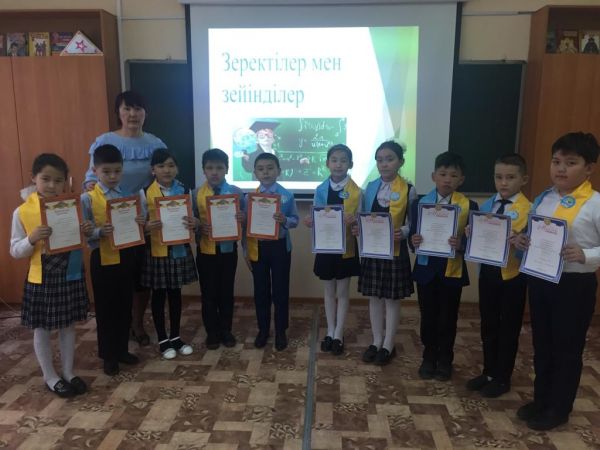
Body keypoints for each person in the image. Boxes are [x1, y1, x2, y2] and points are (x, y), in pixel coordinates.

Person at [513, 132, 600, 431]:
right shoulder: (544, 198)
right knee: (542, 344)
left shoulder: (595, 203)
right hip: (541, 280)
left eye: (571, 163)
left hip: (574, 286)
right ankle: (541, 400)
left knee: (566, 349)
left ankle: (559, 408)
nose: (561, 169)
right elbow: (535, 232)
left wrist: (586, 254)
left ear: (589, 168)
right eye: (556, 161)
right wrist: (523, 240)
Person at [84, 90, 166, 347]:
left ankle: (137, 324)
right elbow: (90, 180)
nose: (133, 114)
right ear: (118, 112)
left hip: (142, 219)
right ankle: (117, 331)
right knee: (115, 280)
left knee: (141, 278)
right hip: (109, 223)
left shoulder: (155, 143)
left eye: (138, 108)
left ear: (145, 113)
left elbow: (162, 177)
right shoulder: (105, 142)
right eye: (127, 109)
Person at [10, 154, 92, 398]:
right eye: (45, 179)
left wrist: (86, 230)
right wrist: (31, 239)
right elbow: (15, 250)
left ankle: (68, 371)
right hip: (42, 276)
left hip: (70, 271)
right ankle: (50, 376)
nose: (52, 185)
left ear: (66, 181)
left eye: (58, 180)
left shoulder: (72, 205)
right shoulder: (22, 211)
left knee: (68, 324)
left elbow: (80, 239)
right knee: (42, 328)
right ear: (33, 178)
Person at [465, 154, 531, 398]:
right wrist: (471, 231)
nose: (503, 183)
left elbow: (532, 248)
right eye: (498, 177)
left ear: (523, 179)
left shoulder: (529, 210)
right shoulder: (486, 206)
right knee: (488, 324)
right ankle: (489, 372)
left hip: (513, 276)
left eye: (510, 177)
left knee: (508, 328)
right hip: (488, 273)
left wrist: (521, 242)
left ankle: (503, 377)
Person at [409, 152, 478, 381]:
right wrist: (413, 240)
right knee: (428, 316)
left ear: (461, 179)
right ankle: (429, 357)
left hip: (452, 271)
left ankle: (446, 360)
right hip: (426, 270)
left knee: (448, 318)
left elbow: (474, 241)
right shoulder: (419, 204)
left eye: (453, 175)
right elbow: (413, 235)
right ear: (433, 176)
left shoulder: (469, 205)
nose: (447, 179)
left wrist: (462, 244)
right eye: (443, 174)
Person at [81, 144, 146, 376]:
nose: (112, 176)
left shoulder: (128, 196)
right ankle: (108, 356)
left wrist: (140, 223)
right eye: (106, 171)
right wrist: (99, 232)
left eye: (117, 171)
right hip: (102, 257)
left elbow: (138, 224)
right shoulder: (87, 199)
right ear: (95, 171)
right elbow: (85, 232)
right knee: (105, 308)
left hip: (126, 255)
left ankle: (121, 350)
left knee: (124, 304)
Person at [356, 141, 416, 365]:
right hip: (373, 249)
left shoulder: (409, 189)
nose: (384, 164)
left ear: (400, 162)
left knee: (391, 299)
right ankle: (376, 340)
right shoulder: (370, 187)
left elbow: (413, 222)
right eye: (380, 160)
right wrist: (358, 227)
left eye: (389, 159)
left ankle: (389, 344)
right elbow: (363, 216)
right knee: (374, 297)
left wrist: (405, 231)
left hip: (395, 251)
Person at [304, 144, 361, 355]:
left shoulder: (357, 191)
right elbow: (317, 216)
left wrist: (355, 221)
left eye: (343, 160)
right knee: (328, 291)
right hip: (326, 247)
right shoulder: (320, 189)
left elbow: (362, 221)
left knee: (343, 292)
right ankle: (329, 330)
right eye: (334, 160)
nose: (338, 164)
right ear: (327, 163)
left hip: (346, 249)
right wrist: (311, 221)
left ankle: (339, 333)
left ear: (350, 164)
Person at [142, 149, 197, 359]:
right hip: (157, 250)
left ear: (177, 169)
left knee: (175, 294)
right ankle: (162, 339)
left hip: (178, 248)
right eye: (161, 166)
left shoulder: (184, 190)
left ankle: (175, 336)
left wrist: (193, 223)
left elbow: (191, 217)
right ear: (153, 170)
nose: (167, 170)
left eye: (171, 165)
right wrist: (147, 227)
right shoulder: (144, 192)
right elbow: (138, 224)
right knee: (158, 296)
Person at [244, 153, 299, 351]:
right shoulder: (249, 197)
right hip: (258, 248)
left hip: (280, 247)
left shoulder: (287, 195)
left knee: (280, 290)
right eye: (261, 169)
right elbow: (245, 226)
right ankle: (263, 329)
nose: (265, 172)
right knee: (261, 290)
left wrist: (285, 220)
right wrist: (245, 251)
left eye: (270, 168)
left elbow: (295, 220)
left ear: (278, 171)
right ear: (255, 173)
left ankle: (281, 330)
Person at [193, 148, 245, 350]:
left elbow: (246, 219)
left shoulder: (236, 193)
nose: (214, 172)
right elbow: (191, 221)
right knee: (208, 293)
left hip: (227, 250)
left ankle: (226, 330)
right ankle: (212, 332)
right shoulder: (196, 193)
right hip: (205, 251)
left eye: (219, 168)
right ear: (203, 170)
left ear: (227, 169)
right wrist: (198, 226)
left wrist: (243, 218)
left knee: (226, 291)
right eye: (210, 168)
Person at [241, 120, 309, 174]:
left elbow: (282, 164)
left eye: (269, 135)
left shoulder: (275, 153)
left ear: (273, 139)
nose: (266, 138)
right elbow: (249, 168)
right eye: (262, 136)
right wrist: (245, 160)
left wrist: (298, 162)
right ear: (257, 140)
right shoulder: (254, 155)